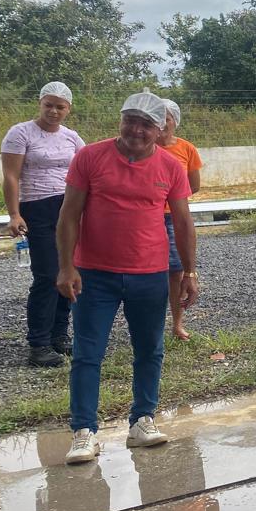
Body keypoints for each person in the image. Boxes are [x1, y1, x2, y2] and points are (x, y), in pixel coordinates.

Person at [57, 93, 199, 464]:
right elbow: (69, 214)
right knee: (89, 353)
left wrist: (189, 270)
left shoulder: (170, 166)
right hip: (94, 275)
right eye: (130, 120)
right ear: (120, 120)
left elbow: (183, 222)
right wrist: (66, 266)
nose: (137, 129)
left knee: (150, 350)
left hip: (149, 274)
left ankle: (142, 421)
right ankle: (84, 431)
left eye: (146, 124)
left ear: (161, 128)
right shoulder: (90, 157)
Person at [0, 82, 85, 367]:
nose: (53, 111)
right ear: (40, 103)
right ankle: (39, 343)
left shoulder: (72, 137)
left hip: (69, 208)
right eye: (48, 104)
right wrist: (14, 214)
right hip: (36, 209)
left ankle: (60, 336)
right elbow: (11, 176)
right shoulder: (20, 133)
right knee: (48, 276)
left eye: (60, 107)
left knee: (70, 271)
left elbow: (86, 170)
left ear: (68, 109)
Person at [158, 99, 202, 341]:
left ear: (175, 121)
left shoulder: (186, 149)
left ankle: (176, 324)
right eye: (158, 117)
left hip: (173, 216)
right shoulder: (144, 147)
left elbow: (193, 185)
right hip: (147, 216)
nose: (162, 123)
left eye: (167, 118)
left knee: (175, 271)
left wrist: (171, 198)